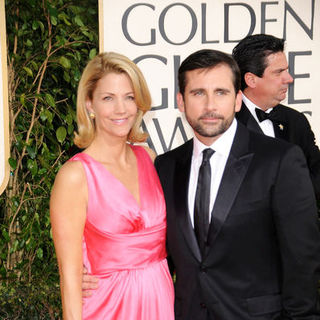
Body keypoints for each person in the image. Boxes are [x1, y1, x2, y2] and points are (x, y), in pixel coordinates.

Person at [155, 49, 320, 319]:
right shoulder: (166, 166)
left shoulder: (280, 161)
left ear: (238, 100)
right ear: (181, 102)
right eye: (198, 93)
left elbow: (302, 261)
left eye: (221, 92)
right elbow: (161, 250)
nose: (210, 105)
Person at [50, 52, 174, 319]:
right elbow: (69, 278)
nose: (122, 109)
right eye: (108, 98)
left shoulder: (150, 159)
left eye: (129, 97)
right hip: (107, 307)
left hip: (160, 299)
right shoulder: (75, 176)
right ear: (89, 105)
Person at [232, 34, 320, 200]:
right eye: (279, 72)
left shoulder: (296, 121)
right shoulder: (227, 124)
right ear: (251, 79)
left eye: (286, 70)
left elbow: (316, 173)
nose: (289, 78)